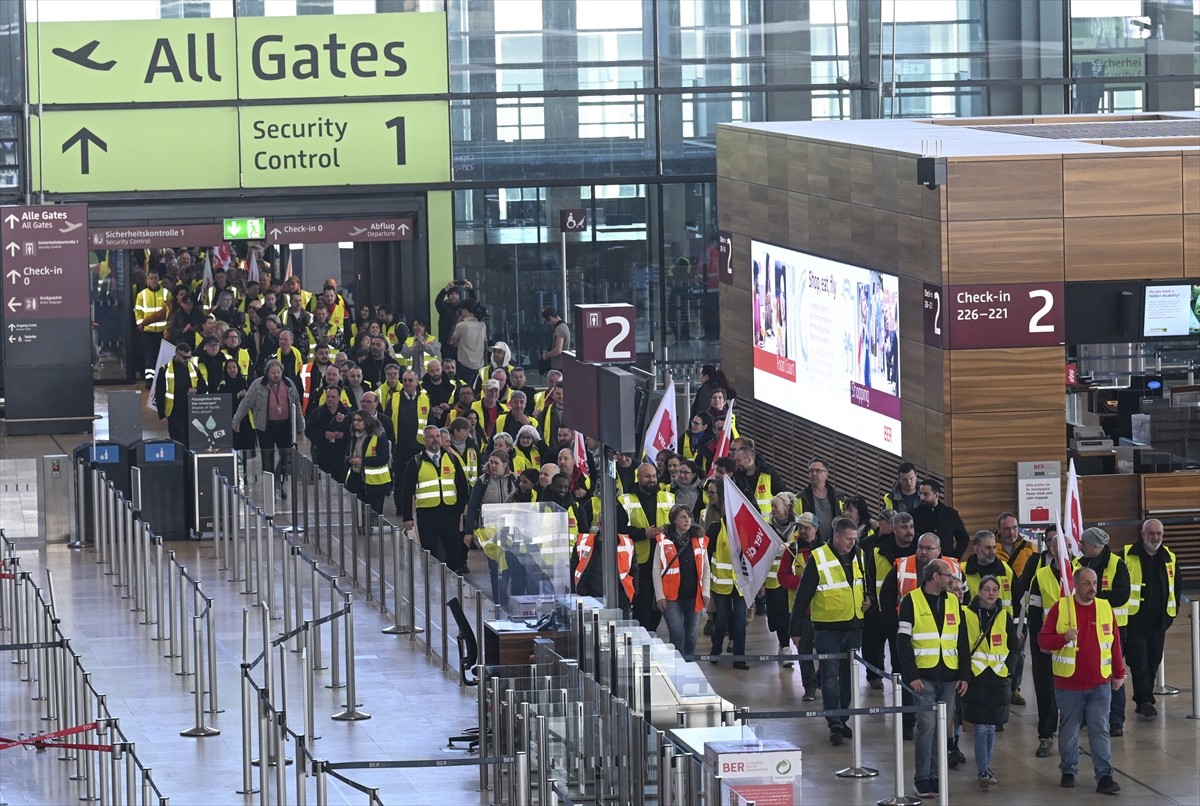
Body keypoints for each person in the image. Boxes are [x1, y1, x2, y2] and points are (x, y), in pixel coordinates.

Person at [1038, 566, 1125, 795]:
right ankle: (1068, 770)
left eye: (1094, 583)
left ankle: (1104, 776)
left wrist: (1119, 673)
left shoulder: (1105, 608)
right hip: (1069, 685)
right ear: (1076, 585)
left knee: (1100, 729)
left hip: (1100, 684)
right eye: (1086, 583)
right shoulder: (1061, 608)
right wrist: (1063, 638)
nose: (1092, 588)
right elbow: (1043, 641)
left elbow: (1114, 644)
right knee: (1069, 730)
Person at [790, 517, 870, 747]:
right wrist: (795, 629)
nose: (852, 543)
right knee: (829, 676)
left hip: (853, 627)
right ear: (836, 537)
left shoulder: (859, 555)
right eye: (848, 539)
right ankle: (834, 723)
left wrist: (869, 600)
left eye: (855, 539)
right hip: (828, 630)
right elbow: (802, 596)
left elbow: (864, 584)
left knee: (849, 677)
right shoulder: (818, 558)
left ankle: (843, 719)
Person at [897, 559, 970, 799]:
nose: (952, 580)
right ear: (935, 577)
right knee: (927, 727)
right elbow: (902, 641)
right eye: (948, 575)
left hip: (949, 676)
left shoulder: (953, 601)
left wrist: (964, 674)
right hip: (924, 677)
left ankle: (937, 777)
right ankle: (922, 778)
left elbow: (962, 639)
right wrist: (912, 676)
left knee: (941, 728)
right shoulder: (911, 601)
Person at [1075, 526, 1130, 736]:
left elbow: (1122, 595)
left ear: (1095, 546)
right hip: (1083, 627)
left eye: (1083, 543)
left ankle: (1116, 720)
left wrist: (1094, 599)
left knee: (1115, 672)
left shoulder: (1116, 564)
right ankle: (1085, 716)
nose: (1080, 546)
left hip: (1112, 629)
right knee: (1085, 670)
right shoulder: (1078, 564)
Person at [962, 576, 1016, 789]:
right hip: (976, 676)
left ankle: (986, 767)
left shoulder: (1004, 615)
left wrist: (1009, 670)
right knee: (981, 728)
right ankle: (983, 770)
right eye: (987, 589)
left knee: (992, 727)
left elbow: (1013, 646)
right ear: (979, 591)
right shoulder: (967, 614)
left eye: (995, 590)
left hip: (997, 676)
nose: (991, 593)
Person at [1123, 518, 1179, 720]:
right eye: (1151, 533)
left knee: (1154, 660)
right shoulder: (1127, 555)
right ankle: (1145, 700)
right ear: (1143, 534)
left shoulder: (1169, 557)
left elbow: (1176, 586)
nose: (1155, 537)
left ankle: (1143, 698)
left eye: (1159, 534)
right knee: (1139, 662)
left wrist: (1171, 614)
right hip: (1135, 621)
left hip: (1159, 621)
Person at [400, 425, 471, 574]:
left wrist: (459, 508)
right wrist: (407, 517)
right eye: (431, 437)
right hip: (427, 513)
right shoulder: (416, 461)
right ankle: (431, 576)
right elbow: (406, 491)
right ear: (424, 440)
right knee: (429, 548)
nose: (435, 440)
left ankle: (452, 573)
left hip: (449, 511)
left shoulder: (451, 458)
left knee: (453, 546)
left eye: (437, 436)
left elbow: (463, 486)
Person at [864, 511, 917, 698]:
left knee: (907, 658)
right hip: (884, 613)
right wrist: (871, 600)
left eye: (911, 527)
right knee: (882, 652)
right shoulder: (878, 551)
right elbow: (869, 579)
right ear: (894, 528)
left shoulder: (920, 551)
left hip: (915, 615)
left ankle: (907, 697)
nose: (909, 531)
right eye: (904, 527)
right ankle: (884, 683)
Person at [618, 463, 675, 632]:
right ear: (638, 478)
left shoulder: (668, 498)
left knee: (658, 602)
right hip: (639, 561)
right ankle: (643, 635)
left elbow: (677, 523)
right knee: (642, 602)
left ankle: (652, 632)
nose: (652, 480)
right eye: (647, 476)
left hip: (664, 560)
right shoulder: (625, 500)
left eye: (654, 476)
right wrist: (643, 533)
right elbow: (618, 529)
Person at [233, 359, 302, 498]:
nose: (276, 375)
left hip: (285, 426)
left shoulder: (289, 384)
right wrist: (237, 420)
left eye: (278, 372)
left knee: (286, 458)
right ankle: (269, 490)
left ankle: (279, 485)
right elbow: (245, 403)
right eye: (273, 372)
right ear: (267, 373)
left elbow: (297, 404)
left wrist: (300, 424)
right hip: (265, 427)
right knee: (267, 459)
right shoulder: (257, 385)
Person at [653, 505, 710, 658]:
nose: (687, 520)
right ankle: (677, 665)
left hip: (693, 595)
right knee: (677, 633)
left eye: (689, 516)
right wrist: (659, 595)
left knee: (691, 635)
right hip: (670, 597)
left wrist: (705, 592)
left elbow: (706, 568)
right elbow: (656, 570)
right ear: (674, 520)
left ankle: (689, 663)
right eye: (683, 517)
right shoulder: (663, 541)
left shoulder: (699, 540)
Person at [1027, 528, 1064, 759]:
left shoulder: (1081, 574)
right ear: (1052, 550)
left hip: (1074, 644)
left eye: (1070, 547)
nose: (1067, 551)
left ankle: (1070, 737)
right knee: (1046, 691)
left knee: (1073, 693)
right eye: (1062, 547)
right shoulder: (1040, 576)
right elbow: (1033, 613)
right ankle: (1046, 736)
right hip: (1047, 644)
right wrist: (1039, 641)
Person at [705, 479, 749, 669]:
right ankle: (715, 651)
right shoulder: (715, 528)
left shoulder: (745, 529)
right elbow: (706, 557)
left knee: (739, 621)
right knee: (722, 620)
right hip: (720, 583)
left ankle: (740, 658)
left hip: (740, 583)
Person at [465, 450, 518, 604]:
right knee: (495, 569)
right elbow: (472, 506)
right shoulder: (483, 481)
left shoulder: (514, 479)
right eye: (491, 462)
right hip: (490, 534)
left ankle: (514, 600)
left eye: (496, 463)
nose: (493, 466)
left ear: (505, 464)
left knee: (512, 567)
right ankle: (499, 602)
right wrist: (468, 532)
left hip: (511, 532)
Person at [765, 492, 800, 667]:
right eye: (771, 506)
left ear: (787, 508)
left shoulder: (799, 527)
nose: (772, 509)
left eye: (775, 506)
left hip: (794, 579)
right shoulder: (766, 527)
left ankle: (788, 645)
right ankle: (785, 647)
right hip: (774, 580)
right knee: (779, 616)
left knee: (793, 614)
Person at [344, 409, 392, 516]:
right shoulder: (354, 436)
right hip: (357, 480)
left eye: (360, 420)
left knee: (373, 515)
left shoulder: (379, 436)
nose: (356, 422)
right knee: (360, 514)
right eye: (355, 420)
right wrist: (349, 460)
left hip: (375, 484)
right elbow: (348, 454)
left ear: (367, 421)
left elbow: (384, 459)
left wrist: (362, 461)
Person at [154, 340, 199, 446]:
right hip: (174, 412)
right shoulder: (164, 370)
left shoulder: (193, 368)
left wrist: (196, 390)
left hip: (191, 411)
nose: (187, 360)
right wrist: (162, 415)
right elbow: (159, 394)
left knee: (190, 442)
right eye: (184, 357)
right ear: (176, 354)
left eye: (189, 357)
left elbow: (204, 386)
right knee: (178, 442)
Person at [913, 479, 969, 560]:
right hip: (921, 561)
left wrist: (955, 558)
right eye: (920, 493)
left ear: (936, 495)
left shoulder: (950, 514)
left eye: (926, 494)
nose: (922, 497)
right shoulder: (914, 514)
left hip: (945, 561)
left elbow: (963, 538)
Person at [304, 386, 351, 480]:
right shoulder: (316, 413)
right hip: (323, 457)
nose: (330, 399)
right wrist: (323, 434)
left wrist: (343, 435)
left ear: (339, 397)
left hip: (342, 459)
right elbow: (308, 432)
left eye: (333, 397)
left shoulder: (348, 414)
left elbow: (354, 433)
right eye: (328, 396)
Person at [963, 530, 1015, 613]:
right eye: (988, 548)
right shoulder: (962, 570)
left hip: (1002, 620)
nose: (992, 552)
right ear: (976, 549)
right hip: (972, 620)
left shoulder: (1006, 569)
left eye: (994, 547)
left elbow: (1017, 599)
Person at [134, 269, 170, 388]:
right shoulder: (141, 295)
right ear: (147, 280)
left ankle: (162, 379)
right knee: (149, 356)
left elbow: (170, 313)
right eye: (151, 278)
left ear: (159, 279)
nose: (154, 280)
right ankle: (149, 380)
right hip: (147, 332)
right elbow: (138, 312)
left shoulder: (166, 293)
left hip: (162, 332)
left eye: (155, 278)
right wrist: (141, 325)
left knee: (162, 356)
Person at [798, 458, 844, 544]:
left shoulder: (838, 497)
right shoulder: (800, 498)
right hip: (810, 545)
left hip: (835, 544)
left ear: (826, 474)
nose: (814, 473)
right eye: (811, 471)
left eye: (818, 471)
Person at [435, 279, 473, 362]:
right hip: (446, 343)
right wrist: (447, 288)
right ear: (448, 296)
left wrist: (470, 289)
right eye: (452, 294)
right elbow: (438, 301)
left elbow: (472, 303)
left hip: (461, 343)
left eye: (456, 294)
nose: (454, 296)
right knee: (447, 364)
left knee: (461, 364)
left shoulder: (463, 307)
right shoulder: (444, 307)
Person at [450, 299, 487, 375]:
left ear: (465, 310)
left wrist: (458, 321)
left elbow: (453, 342)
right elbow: (484, 342)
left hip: (464, 364)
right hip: (480, 364)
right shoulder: (482, 325)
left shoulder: (461, 325)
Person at [540, 307, 571, 372]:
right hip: (562, 364)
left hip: (558, 365)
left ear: (550, 318)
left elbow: (558, 350)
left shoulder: (559, 329)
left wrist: (546, 355)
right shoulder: (564, 326)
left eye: (546, 321)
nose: (547, 323)